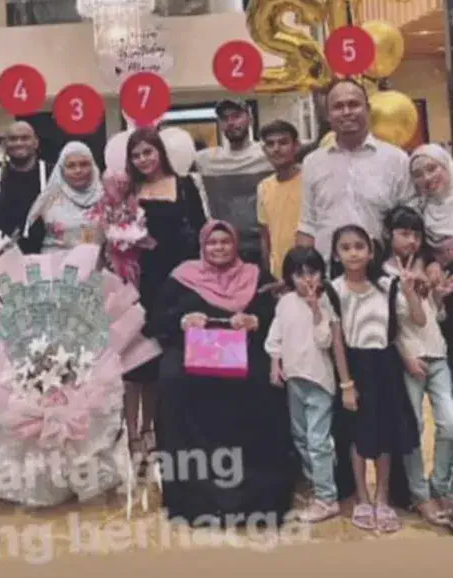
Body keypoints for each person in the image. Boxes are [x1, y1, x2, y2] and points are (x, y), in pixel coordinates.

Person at [147, 220, 294, 525]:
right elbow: (156, 317)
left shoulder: (255, 275)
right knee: (174, 381)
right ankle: (192, 494)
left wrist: (255, 319)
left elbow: (279, 312)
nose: (219, 248)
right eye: (212, 243)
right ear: (202, 246)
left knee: (263, 383)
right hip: (191, 351)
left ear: (236, 245)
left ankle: (256, 491)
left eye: (225, 242)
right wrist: (183, 320)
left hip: (246, 350)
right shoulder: (183, 276)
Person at [329, 224, 422, 532]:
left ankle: (382, 497)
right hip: (355, 367)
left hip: (385, 365)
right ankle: (362, 497)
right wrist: (346, 384)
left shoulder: (388, 285)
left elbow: (417, 321)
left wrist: (410, 293)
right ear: (336, 253)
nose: (353, 252)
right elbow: (337, 340)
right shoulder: (335, 289)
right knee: (358, 435)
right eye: (346, 247)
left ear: (370, 252)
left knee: (385, 433)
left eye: (359, 246)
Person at [124, 126, 207, 467]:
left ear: (160, 151)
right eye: (136, 154)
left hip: (180, 282)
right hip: (139, 282)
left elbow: (203, 230)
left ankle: (162, 431)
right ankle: (134, 434)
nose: (144, 159)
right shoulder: (129, 192)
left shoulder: (186, 184)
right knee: (137, 360)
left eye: (148, 151)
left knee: (172, 359)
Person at [266, 247, 355, 523]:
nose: (307, 279)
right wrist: (274, 363)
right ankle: (318, 484)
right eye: (299, 273)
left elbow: (326, 341)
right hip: (294, 378)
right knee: (301, 437)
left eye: (312, 272)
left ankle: (327, 499)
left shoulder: (326, 300)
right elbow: (276, 335)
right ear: (290, 276)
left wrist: (317, 309)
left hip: (319, 380)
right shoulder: (285, 302)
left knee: (318, 441)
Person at [382, 206, 453, 526]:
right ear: (389, 235)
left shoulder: (425, 268)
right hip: (409, 358)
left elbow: (431, 318)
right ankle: (420, 494)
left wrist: (438, 297)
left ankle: (441, 486)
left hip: (437, 353)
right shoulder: (381, 275)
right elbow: (387, 327)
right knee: (414, 431)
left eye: (416, 234)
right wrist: (405, 356)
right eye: (403, 233)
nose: (410, 240)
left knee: (449, 424)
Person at [297, 79, 414, 263]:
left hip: (383, 274)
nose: (346, 112)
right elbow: (308, 225)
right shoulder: (313, 163)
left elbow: (411, 223)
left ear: (368, 109)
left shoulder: (396, 160)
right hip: (330, 277)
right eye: (338, 106)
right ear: (328, 115)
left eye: (354, 104)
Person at [195, 99, 271, 263]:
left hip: (265, 245)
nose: (231, 122)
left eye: (236, 116)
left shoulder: (268, 154)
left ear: (250, 119)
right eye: (225, 118)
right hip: (223, 248)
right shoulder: (205, 160)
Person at [22, 142, 103, 253]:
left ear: (93, 167)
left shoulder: (107, 198)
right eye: (71, 166)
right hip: (55, 265)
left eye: (84, 164)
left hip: (95, 265)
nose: (78, 170)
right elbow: (31, 238)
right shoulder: (49, 199)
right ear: (61, 170)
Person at [257, 120, 303, 279]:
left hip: (310, 273)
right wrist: (268, 274)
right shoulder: (264, 187)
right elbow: (265, 236)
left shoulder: (311, 179)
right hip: (278, 276)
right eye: (270, 144)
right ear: (264, 150)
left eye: (283, 143)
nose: (276, 149)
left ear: (296, 146)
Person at [0, 122, 53, 240]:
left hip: (46, 252)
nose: (19, 143)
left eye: (25, 138)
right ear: (4, 144)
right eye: (13, 139)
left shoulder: (53, 174)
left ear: (36, 142)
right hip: (3, 254)